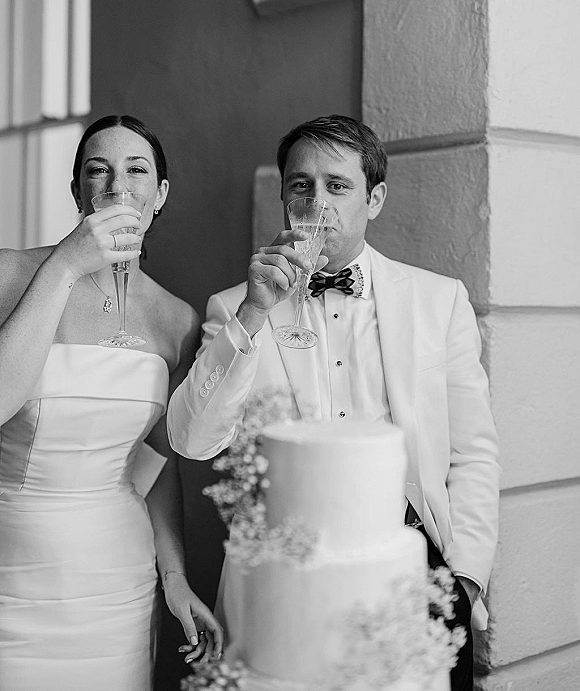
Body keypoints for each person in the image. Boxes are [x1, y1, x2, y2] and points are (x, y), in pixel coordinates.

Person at [167, 115, 500, 691]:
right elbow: (191, 441)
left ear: (374, 199)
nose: (315, 202)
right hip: (285, 592)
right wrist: (254, 313)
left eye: (336, 185)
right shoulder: (233, 308)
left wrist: (464, 579)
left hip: (415, 577)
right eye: (300, 185)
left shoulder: (439, 302)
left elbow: (473, 454)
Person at [0, 115, 223, 691]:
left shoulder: (178, 320)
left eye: (136, 170)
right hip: (12, 571)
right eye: (98, 170)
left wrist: (173, 577)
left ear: (160, 195)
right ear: (77, 191)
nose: (117, 187)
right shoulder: (10, 275)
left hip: (116, 579)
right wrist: (68, 264)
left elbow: (155, 465)